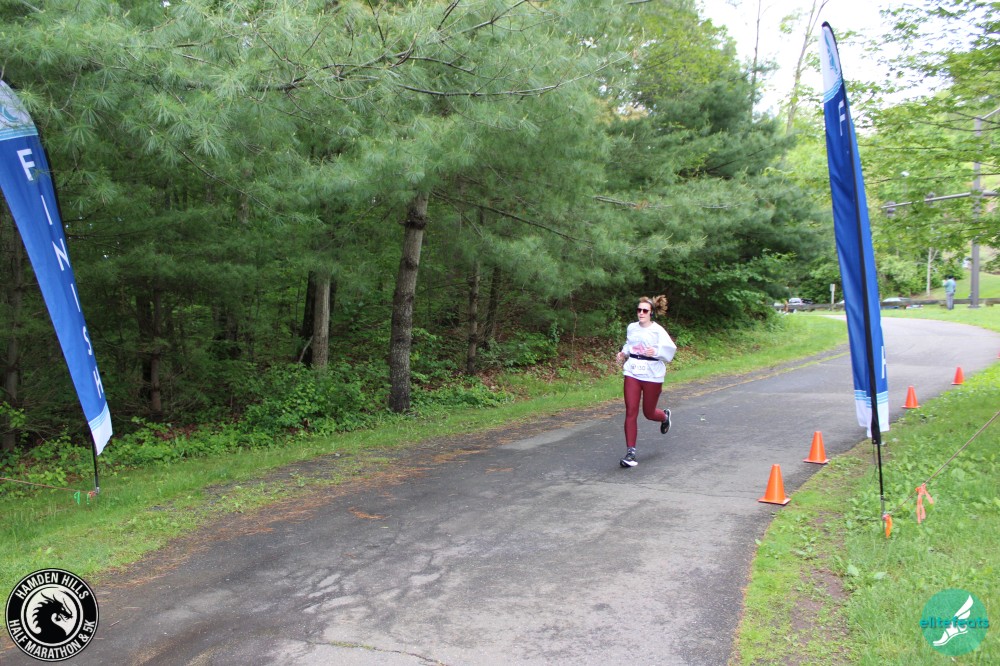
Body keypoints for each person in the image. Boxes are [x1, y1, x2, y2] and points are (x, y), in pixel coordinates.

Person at [614, 295, 677, 468]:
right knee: (631, 411)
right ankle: (630, 453)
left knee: (648, 413)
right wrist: (623, 353)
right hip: (633, 371)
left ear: (651, 313)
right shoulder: (632, 327)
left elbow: (670, 351)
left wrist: (655, 352)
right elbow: (629, 345)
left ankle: (664, 416)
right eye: (639, 310)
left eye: (645, 310)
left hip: (652, 374)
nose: (641, 313)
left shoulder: (658, 331)